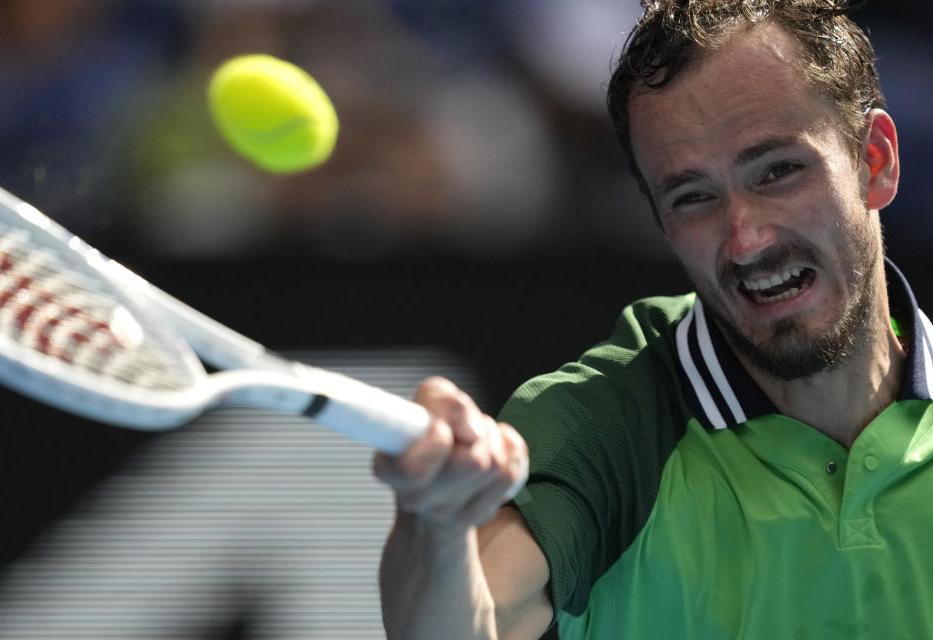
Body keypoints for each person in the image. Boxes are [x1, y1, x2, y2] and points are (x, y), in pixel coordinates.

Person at [375, 1, 933, 638]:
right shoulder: (607, 421)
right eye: (693, 197)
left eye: (778, 171)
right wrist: (438, 523)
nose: (746, 240)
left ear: (876, 160)